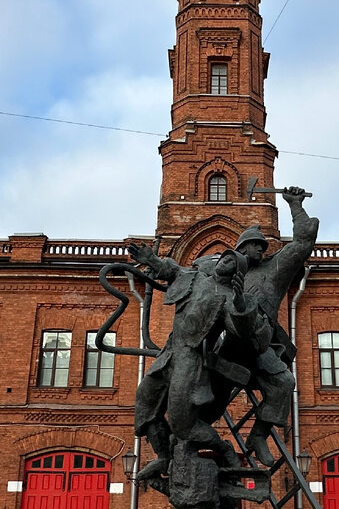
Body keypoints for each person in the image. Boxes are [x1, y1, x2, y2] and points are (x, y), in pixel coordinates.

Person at [129, 248, 261, 484]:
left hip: (191, 362)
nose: (224, 261)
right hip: (169, 353)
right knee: (145, 400)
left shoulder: (230, 297)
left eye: (231, 261)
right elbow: (171, 269)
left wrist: (241, 304)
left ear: (237, 272)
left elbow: (240, 331)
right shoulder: (195, 277)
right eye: (224, 257)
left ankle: (224, 449)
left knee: (183, 425)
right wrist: (151, 259)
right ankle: (163, 456)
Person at [233, 185, 319, 465]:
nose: (260, 247)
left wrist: (295, 205)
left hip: (259, 342)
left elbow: (304, 242)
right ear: (241, 248)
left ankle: (258, 435)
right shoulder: (222, 271)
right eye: (254, 243)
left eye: (262, 244)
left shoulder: (275, 268)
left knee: (284, 382)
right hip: (227, 339)